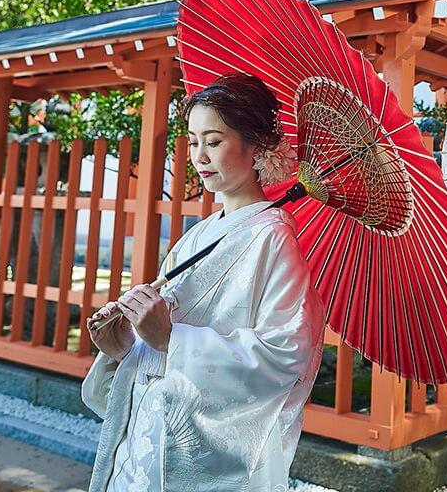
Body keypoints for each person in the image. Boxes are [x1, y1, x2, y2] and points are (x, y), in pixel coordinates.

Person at [82, 73, 325, 492]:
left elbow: (289, 357)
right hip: (149, 433)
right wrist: (127, 343)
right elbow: (162, 334)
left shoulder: (274, 240)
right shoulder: (198, 235)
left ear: (256, 147)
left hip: (205, 451)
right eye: (193, 142)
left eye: (213, 142)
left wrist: (171, 341)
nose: (199, 156)